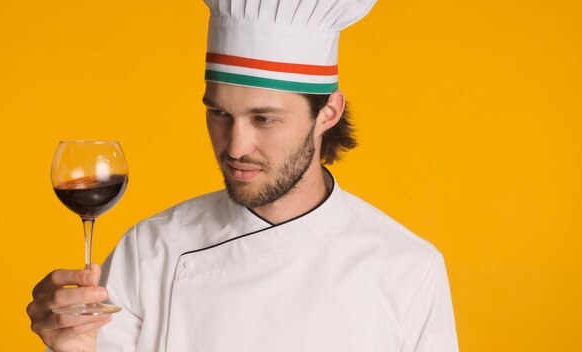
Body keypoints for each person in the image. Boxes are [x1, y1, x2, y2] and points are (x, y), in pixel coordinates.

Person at [27, 0, 459, 351]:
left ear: (327, 113)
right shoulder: (150, 249)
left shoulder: (409, 269)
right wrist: (73, 347)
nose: (234, 147)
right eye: (219, 113)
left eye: (264, 119)